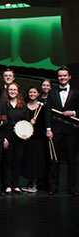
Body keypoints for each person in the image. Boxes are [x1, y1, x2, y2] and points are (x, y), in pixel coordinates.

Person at [45, 67, 78, 196]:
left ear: (69, 77)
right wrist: (48, 129)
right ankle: (53, 186)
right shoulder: (52, 93)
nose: (62, 78)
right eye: (60, 76)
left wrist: (73, 112)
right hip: (55, 131)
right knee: (54, 159)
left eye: (64, 75)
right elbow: (48, 112)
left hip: (71, 130)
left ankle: (72, 187)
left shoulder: (76, 92)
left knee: (71, 160)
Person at [3, 82, 28, 194]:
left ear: (18, 92)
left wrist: (26, 134)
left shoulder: (23, 106)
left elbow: (26, 121)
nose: (12, 92)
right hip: (7, 135)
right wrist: (4, 137)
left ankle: (16, 184)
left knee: (18, 161)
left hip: (20, 136)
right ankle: (8, 185)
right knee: (8, 161)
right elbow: (1, 120)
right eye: (10, 90)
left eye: (14, 90)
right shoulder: (4, 105)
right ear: (7, 92)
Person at [23, 86, 47, 193]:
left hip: (38, 137)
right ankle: (29, 182)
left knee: (36, 161)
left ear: (38, 94)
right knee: (28, 161)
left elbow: (45, 122)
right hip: (27, 137)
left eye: (34, 92)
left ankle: (35, 184)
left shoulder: (42, 107)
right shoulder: (24, 106)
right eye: (30, 92)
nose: (32, 94)